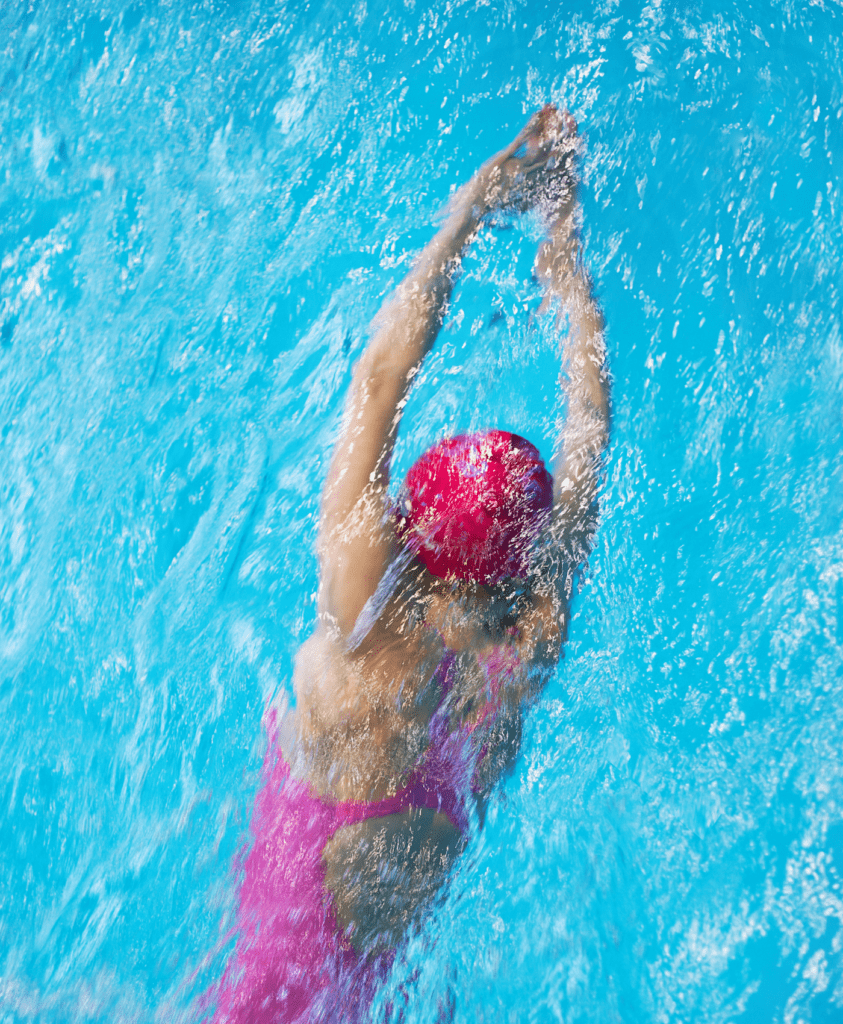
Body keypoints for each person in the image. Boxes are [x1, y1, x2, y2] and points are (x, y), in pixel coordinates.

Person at [207, 104, 609, 1024]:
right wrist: (563, 261)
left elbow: (378, 377)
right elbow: (589, 434)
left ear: (419, 534)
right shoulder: (532, 631)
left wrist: (467, 213)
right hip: (390, 997)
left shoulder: (366, 624)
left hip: (272, 1003)